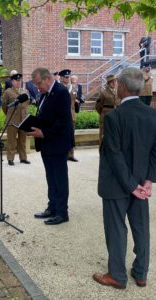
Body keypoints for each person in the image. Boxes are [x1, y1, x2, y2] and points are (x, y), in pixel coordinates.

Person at [93, 67, 156, 289]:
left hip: (117, 185)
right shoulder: (153, 114)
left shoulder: (114, 117)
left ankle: (117, 276)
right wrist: (148, 180)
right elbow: (155, 151)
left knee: (116, 229)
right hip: (140, 183)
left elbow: (115, 155)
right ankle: (141, 273)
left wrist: (132, 186)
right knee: (141, 228)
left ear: (121, 86)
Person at [28, 67, 74, 225]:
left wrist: (44, 132)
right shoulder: (44, 93)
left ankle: (62, 212)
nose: (37, 87)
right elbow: (44, 115)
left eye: (39, 83)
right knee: (51, 177)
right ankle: (52, 207)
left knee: (59, 178)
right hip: (46, 143)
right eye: (35, 85)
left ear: (48, 79)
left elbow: (62, 120)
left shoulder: (61, 92)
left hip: (57, 142)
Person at [2, 73, 30, 166]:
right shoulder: (8, 92)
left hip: (23, 119)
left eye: (20, 81)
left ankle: (23, 158)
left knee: (22, 140)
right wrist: (9, 115)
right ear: (12, 81)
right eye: (17, 81)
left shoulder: (25, 91)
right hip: (12, 119)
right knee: (11, 141)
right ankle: (10, 158)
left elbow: (26, 105)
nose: (19, 82)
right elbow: (4, 106)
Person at [59, 69, 78, 162]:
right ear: (61, 78)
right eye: (66, 77)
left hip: (71, 114)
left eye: (68, 77)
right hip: (62, 115)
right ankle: (63, 154)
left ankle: (71, 154)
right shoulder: (58, 87)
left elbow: (74, 102)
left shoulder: (73, 88)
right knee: (62, 135)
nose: (67, 78)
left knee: (71, 135)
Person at [95, 74, 120, 146]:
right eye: (113, 82)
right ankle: (102, 151)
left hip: (115, 116)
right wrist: (103, 113)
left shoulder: (118, 92)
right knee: (103, 134)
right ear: (109, 83)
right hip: (106, 115)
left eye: (115, 81)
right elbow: (98, 106)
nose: (115, 83)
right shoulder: (103, 93)